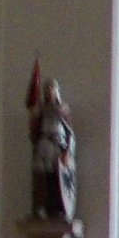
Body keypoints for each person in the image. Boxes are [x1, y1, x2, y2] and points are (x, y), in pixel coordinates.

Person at [28, 74, 78, 222]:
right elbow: (34, 130)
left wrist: (67, 151)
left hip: (58, 145)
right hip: (44, 144)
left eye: (52, 88)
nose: (50, 91)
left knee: (56, 178)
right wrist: (34, 118)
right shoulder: (41, 109)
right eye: (47, 88)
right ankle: (40, 208)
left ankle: (57, 209)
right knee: (41, 176)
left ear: (56, 91)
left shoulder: (62, 109)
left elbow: (70, 132)